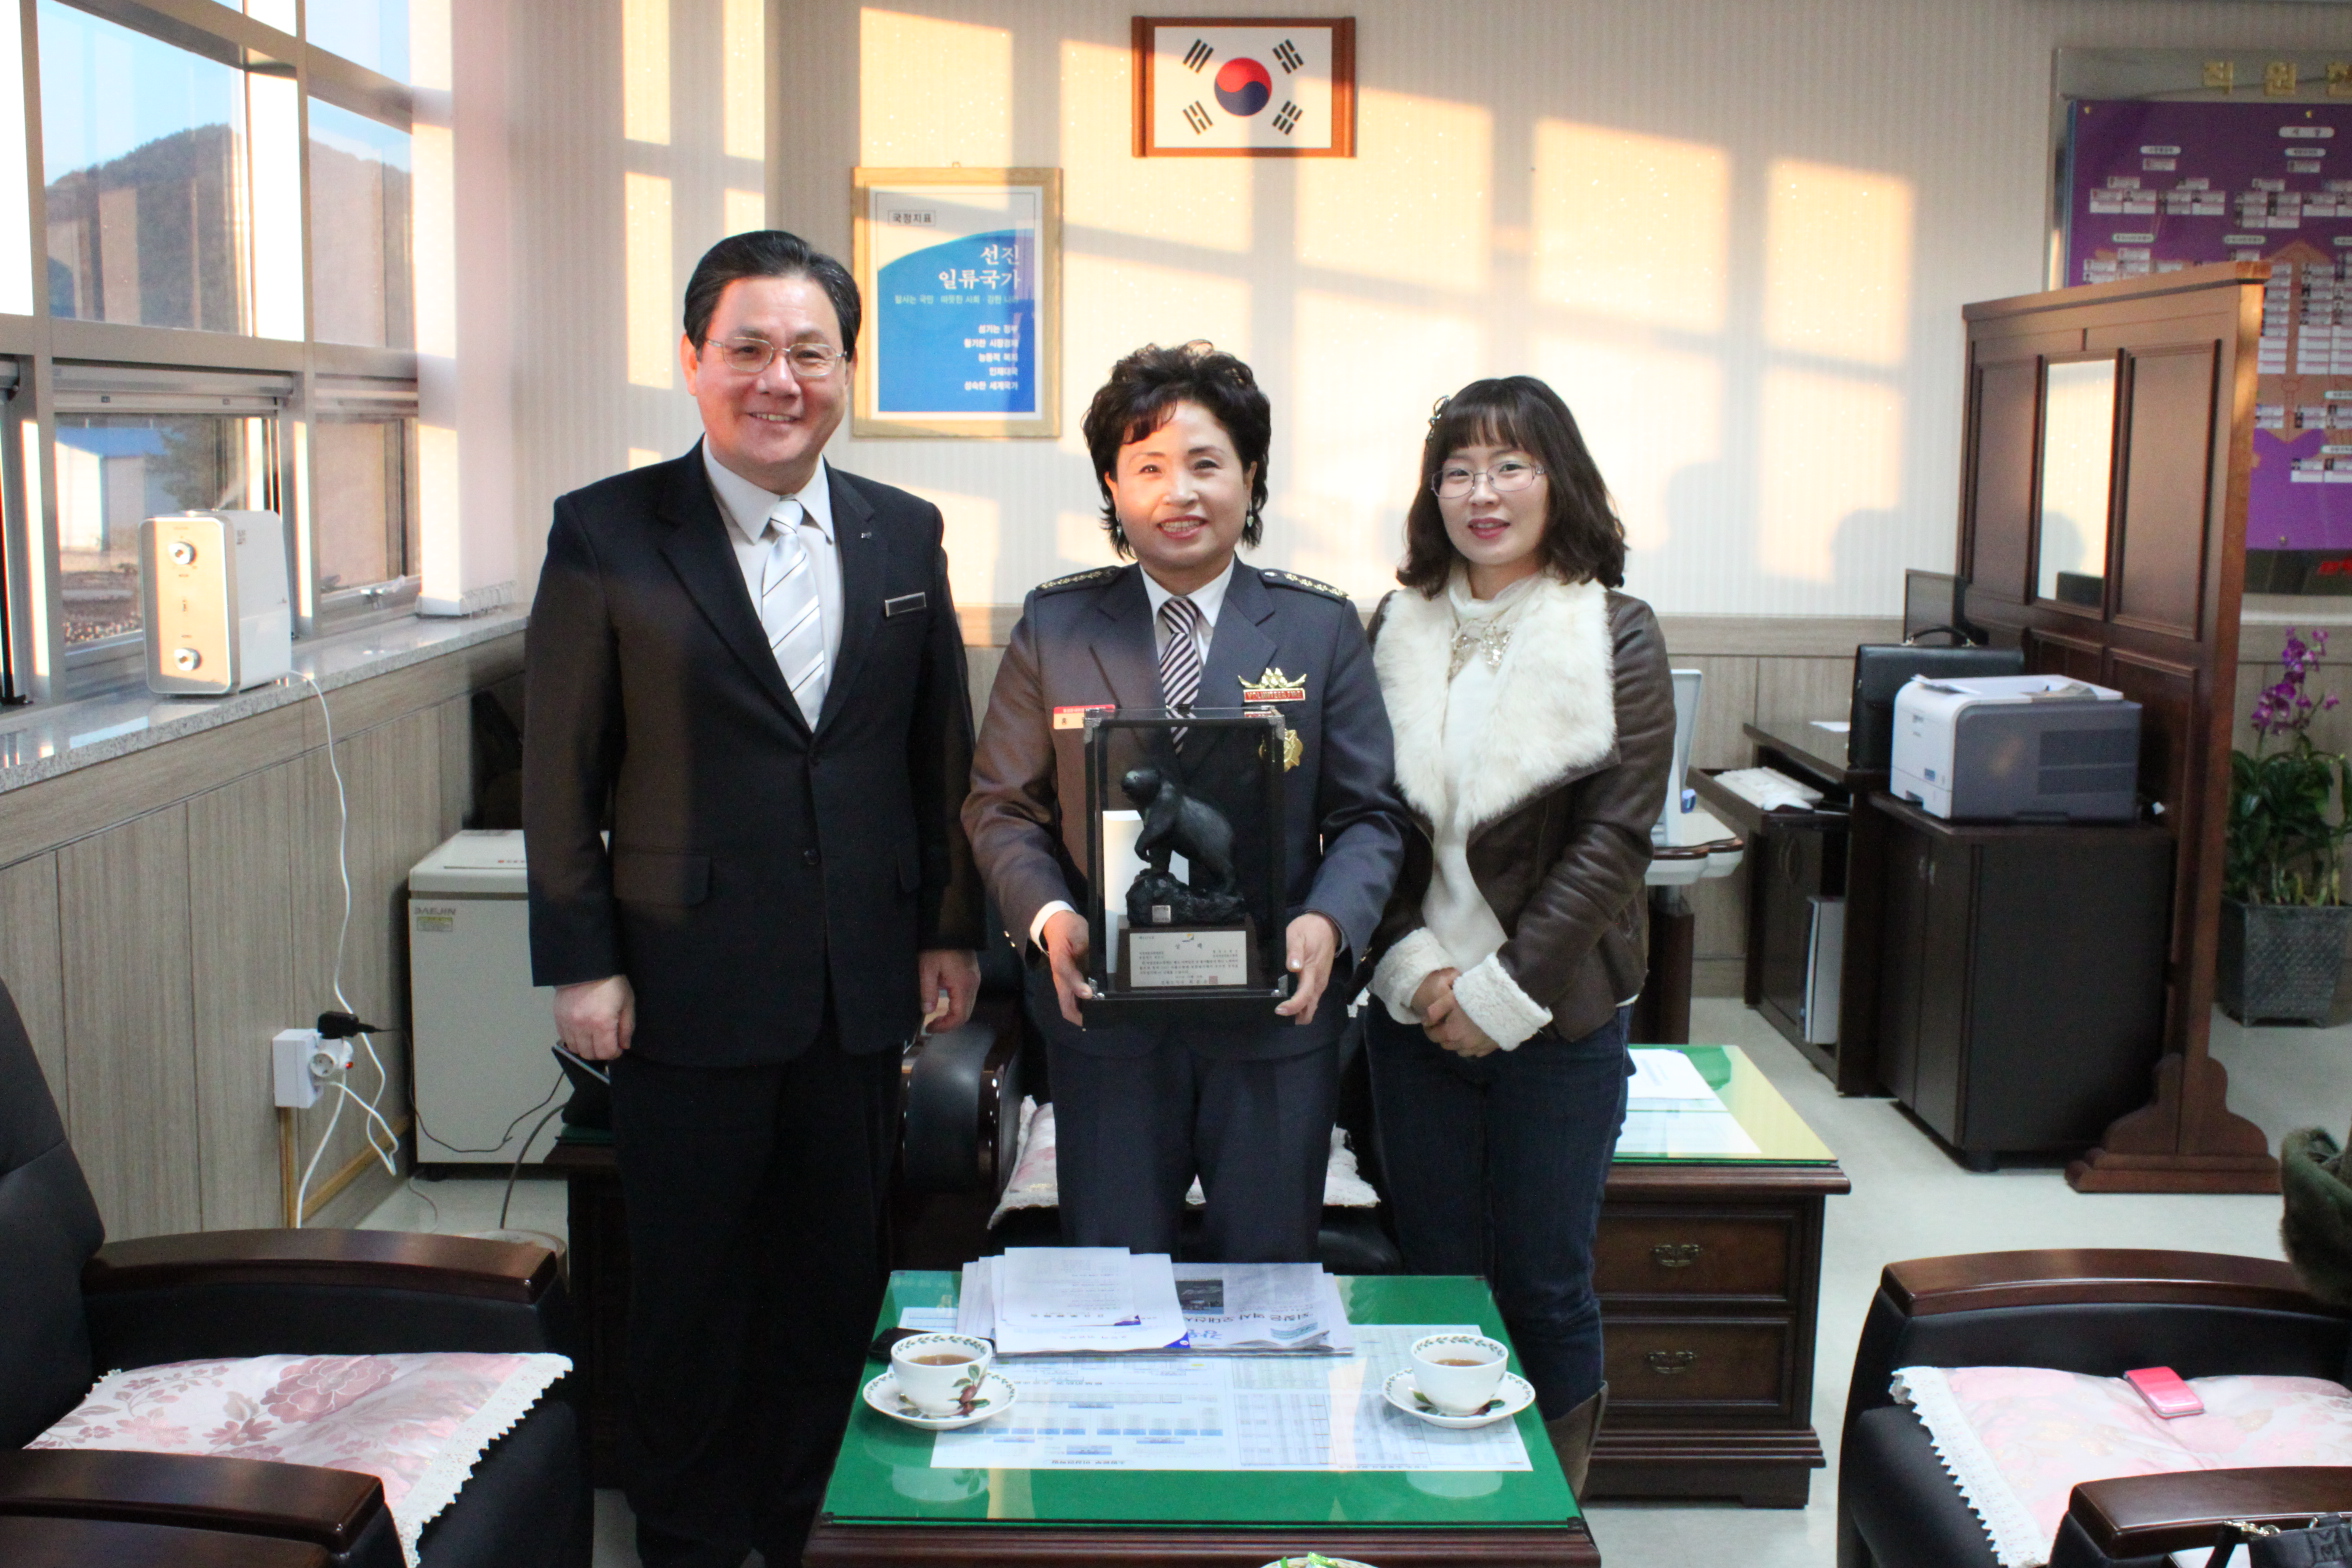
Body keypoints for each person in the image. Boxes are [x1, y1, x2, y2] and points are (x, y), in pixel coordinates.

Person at [521, 230, 982, 1568]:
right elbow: (561, 768)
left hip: (856, 983)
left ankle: (806, 1525)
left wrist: (948, 926)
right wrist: (581, 959)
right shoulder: (606, 530)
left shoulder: (904, 529)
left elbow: (937, 750)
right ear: (693, 360)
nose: (780, 380)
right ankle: (686, 1533)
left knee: (833, 1281)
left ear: (846, 370)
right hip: (683, 979)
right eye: (749, 349)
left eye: (810, 353)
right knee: (688, 1288)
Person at [965, 341, 1405, 1262]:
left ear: (1251, 477)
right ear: (1112, 485)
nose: (1180, 493)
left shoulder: (1318, 628)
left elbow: (1369, 814)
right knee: (1114, 1278)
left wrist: (1330, 921)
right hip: (1105, 1020)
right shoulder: (1056, 625)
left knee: (1268, 1279)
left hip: (1274, 1018)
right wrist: (1048, 918)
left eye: (1207, 464)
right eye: (1150, 467)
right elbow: (1002, 806)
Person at [1361, 375, 1673, 1491]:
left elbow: (1614, 838)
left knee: (1545, 1279)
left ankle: (1548, 1516)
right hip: (1413, 1010)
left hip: (1559, 1010)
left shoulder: (1615, 629)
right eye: (1457, 470)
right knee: (1434, 1270)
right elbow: (1358, 818)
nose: (1481, 493)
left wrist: (1500, 993)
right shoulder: (1393, 624)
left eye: (1509, 466)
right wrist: (1416, 971)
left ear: (1558, 480)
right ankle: (1443, 1503)